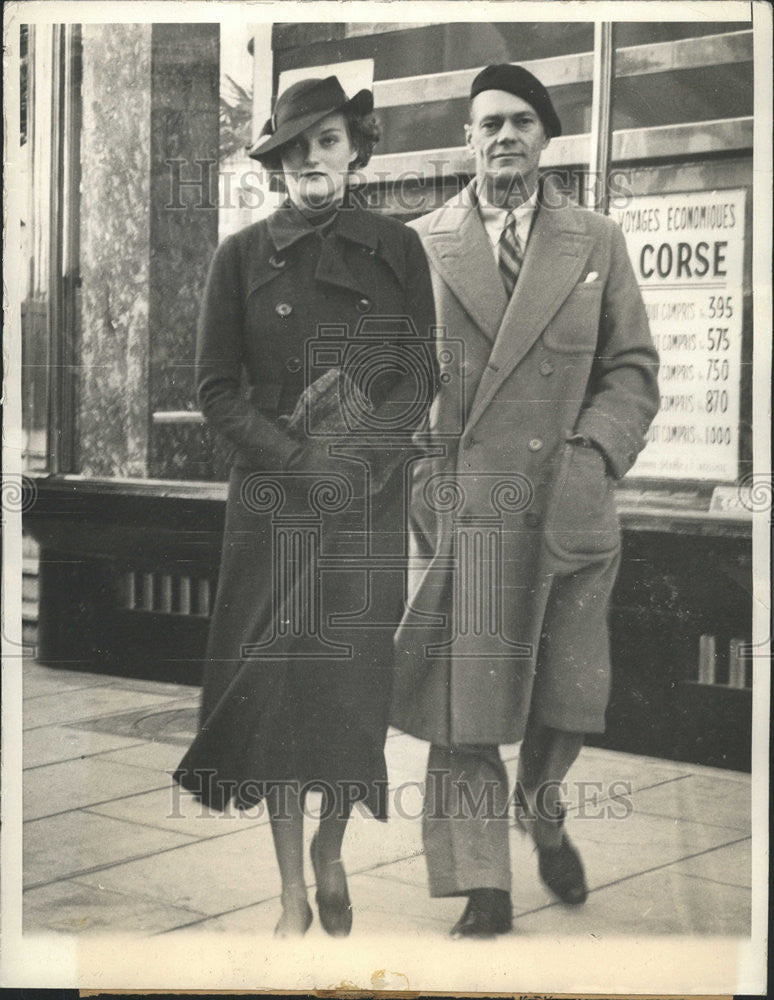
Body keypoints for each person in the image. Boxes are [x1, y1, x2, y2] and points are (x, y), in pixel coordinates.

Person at [391, 64, 660, 938]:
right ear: (467, 140)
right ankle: (483, 884)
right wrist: (427, 485)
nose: (504, 137)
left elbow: (631, 371)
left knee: (567, 697)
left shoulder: (597, 241)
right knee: (465, 706)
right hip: (465, 508)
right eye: (488, 124)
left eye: (520, 123)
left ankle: (540, 810)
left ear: (546, 139)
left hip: (567, 505)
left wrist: (593, 459)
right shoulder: (420, 244)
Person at [174, 75, 437, 938]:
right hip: (274, 510)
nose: (310, 161)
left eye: (325, 141)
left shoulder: (397, 251)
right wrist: (297, 458)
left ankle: (332, 850)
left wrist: (356, 461)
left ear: (355, 148)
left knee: (353, 695)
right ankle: (290, 888)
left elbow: (415, 381)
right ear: (278, 163)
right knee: (281, 699)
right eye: (293, 148)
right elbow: (217, 392)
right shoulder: (241, 257)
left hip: (363, 507)